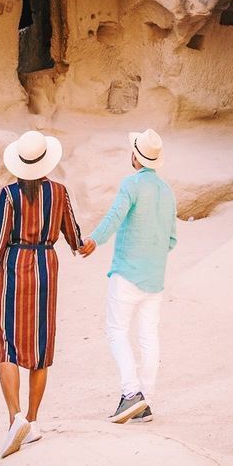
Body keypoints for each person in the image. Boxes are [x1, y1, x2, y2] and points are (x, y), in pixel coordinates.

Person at [0, 129, 83, 459]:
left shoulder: (10, 195)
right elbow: (75, 237)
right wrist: (84, 245)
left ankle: (15, 419)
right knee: (39, 347)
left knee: (7, 343)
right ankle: (34, 422)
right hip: (46, 268)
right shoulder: (60, 192)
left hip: (15, 267)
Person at [80, 128, 177, 424]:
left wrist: (94, 240)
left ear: (135, 156)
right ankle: (144, 401)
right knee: (148, 336)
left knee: (116, 331)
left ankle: (131, 393)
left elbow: (115, 216)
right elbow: (171, 239)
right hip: (155, 278)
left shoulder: (131, 185)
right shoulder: (168, 192)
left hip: (126, 273)